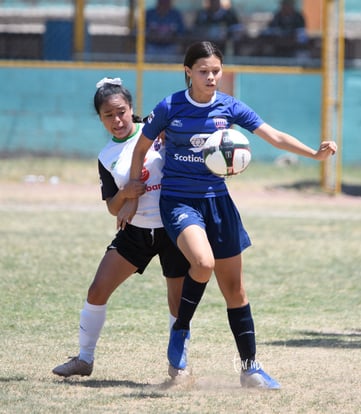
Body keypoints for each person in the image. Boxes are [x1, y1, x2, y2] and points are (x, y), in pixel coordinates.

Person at [118, 41, 337, 389]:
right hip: (179, 203)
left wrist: (313, 153)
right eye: (203, 71)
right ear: (188, 71)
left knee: (235, 290)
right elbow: (142, 146)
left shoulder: (229, 106)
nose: (211, 77)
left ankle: (250, 368)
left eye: (216, 71)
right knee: (202, 264)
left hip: (218, 203)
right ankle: (181, 329)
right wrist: (131, 190)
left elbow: (273, 135)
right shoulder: (170, 106)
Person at [52, 77, 189, 378]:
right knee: (97, 290)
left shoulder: (155, 132)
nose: (117, 120)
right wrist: (126, 194)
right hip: (136, 232)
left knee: (177, 301)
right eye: (108, 115)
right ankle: (84, 359)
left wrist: (170, 135)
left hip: (172, 229)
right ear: (100, 119)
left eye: (121, 112)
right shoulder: (106, 157)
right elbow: (112, 207)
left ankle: (178, 367)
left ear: (131, 109)